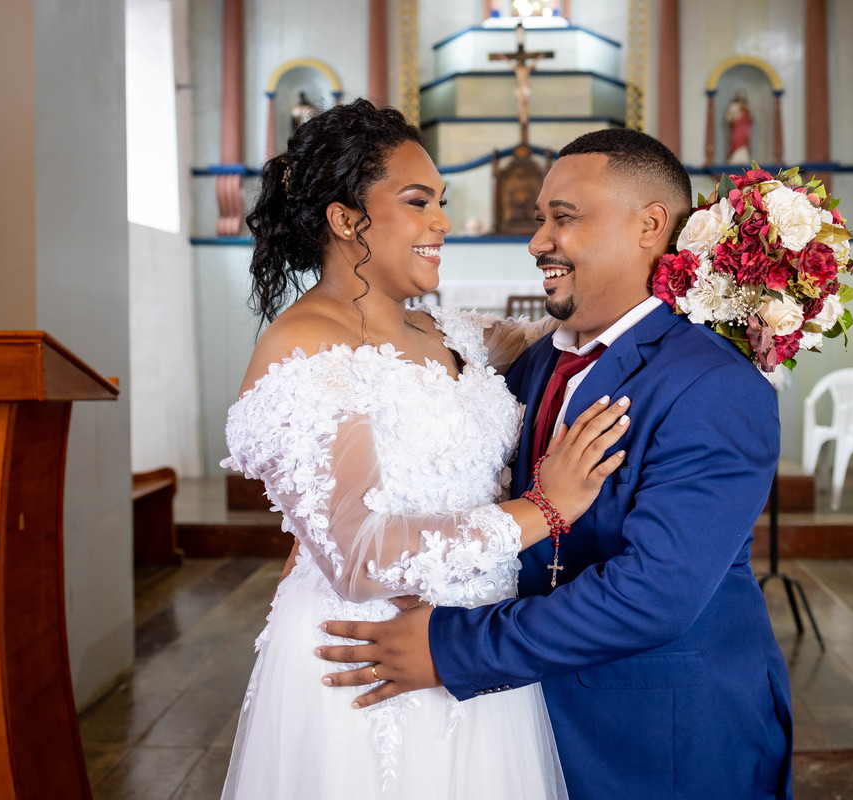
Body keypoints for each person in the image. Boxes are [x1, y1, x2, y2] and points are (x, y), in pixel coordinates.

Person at [318, 128, 794, 799]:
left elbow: (654, 595)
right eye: (541, 218)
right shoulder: (538, 360)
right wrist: (329, 519)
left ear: (649, 226)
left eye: (563, 218)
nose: (538, 241)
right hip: (526, 730)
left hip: (665, 740)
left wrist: (451, 647)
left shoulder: (713, 385)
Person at [219, 99, 630, 799]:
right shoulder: (303, 347)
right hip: (369, 662)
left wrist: (710, 283)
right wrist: (544, 510)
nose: (442, 221)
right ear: (346, 220)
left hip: (476, 649)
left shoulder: (449, 331)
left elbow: (571, 328)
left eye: (442, 202)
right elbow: (357, 557)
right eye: (418, 202)